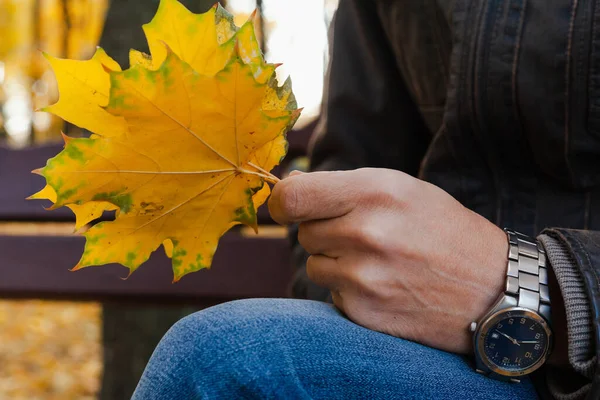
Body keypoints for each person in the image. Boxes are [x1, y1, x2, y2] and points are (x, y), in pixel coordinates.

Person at [132, 0, 600, 399]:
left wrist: (549, 289)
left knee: (222, 359)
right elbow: (351, 162)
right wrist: (352, 295)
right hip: (425, 352)